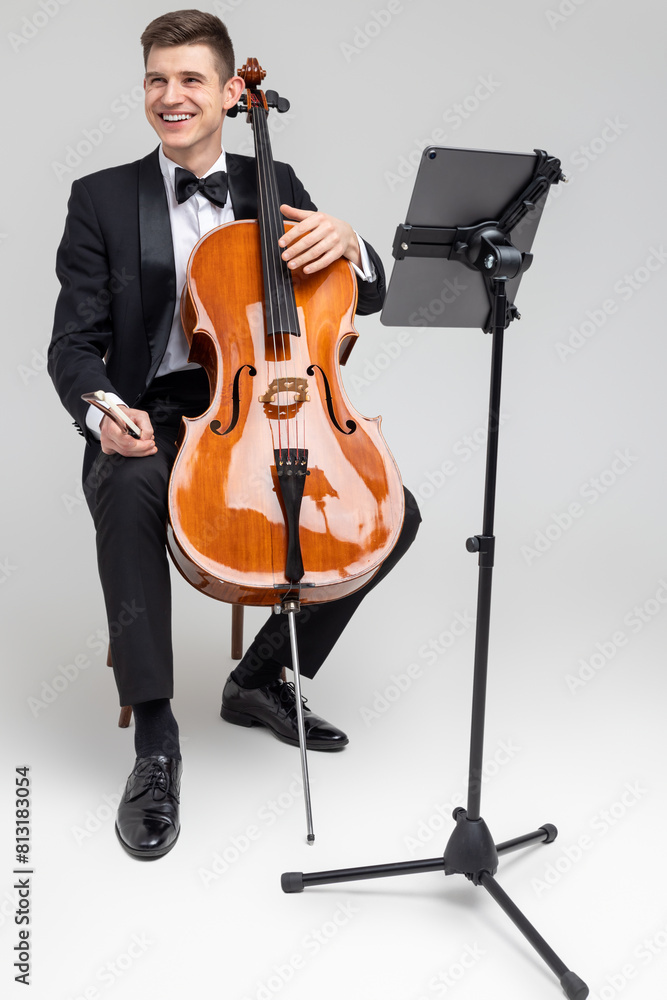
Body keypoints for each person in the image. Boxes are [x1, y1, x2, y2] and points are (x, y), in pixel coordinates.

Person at [49, 9, 420, 860]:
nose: (170, 96)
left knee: (388, 513)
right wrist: (104, 411)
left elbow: (362, 297)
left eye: (190, 79)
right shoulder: (101, 198)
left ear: (227, 94)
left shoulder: (272, 177)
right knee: (126, 486)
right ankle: (155, 740)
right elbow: (72, 343)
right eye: (156, 79)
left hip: (270, 404)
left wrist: (353, 244)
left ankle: (259, 677)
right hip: (155, 413)